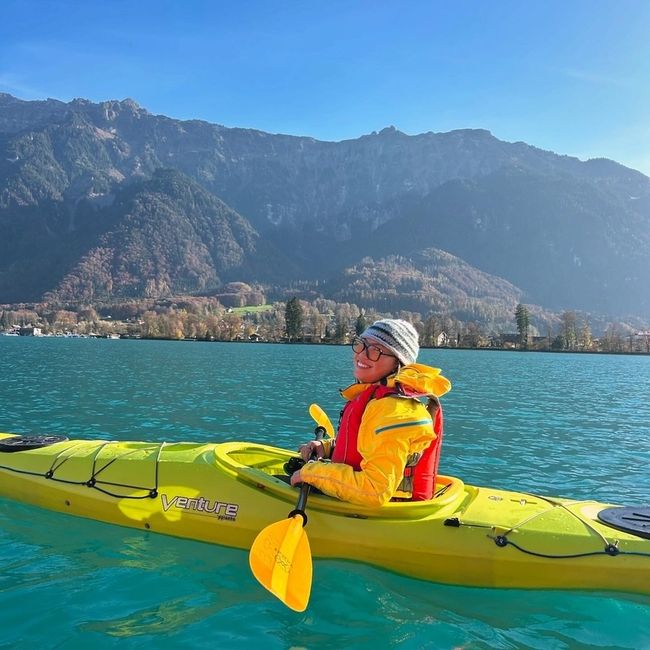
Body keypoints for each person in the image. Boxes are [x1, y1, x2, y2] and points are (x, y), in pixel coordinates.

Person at [290, 318, 451, 507]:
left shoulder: (393, 411)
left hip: (379, 515)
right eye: (361, 345)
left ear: (398, 363)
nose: (362, 355)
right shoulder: (379, 400)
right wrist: (328, 448)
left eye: (376, 350)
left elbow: (375, 490)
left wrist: (312, 473)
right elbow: (368, 447)